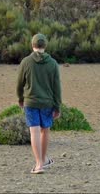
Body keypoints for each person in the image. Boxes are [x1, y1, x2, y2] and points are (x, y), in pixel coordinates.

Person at [16, 32, 62, 174]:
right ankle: (42, 160)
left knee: (34, 131)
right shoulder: (53, 63)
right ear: (45, 46)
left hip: (31, 101)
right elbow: (57, 87)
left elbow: (19, 83)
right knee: (45, 130)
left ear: (32, 45)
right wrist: (57, 105)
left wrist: (20, 98)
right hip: (47, 102)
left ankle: (39, 164)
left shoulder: (26, 62)